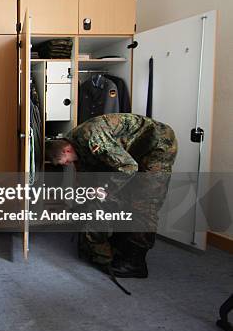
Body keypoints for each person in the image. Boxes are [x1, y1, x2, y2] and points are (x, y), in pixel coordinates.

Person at [45, 113, 177, 279]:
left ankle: (135, 263)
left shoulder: (92, 138)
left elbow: (128, 167)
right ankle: (119, 246)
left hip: (157, 145)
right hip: (131, 151)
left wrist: (105, 189)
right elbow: (89, 177)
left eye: (64, 161)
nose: (66, 165)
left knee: (144, 203)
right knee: (118, 197)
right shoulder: (74, 144)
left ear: (67, 149)